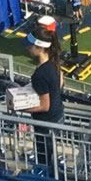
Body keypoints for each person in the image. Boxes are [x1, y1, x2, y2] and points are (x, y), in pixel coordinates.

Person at [23, 26, 65, 171]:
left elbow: (44, 106)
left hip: (46, 122)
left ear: (40, 47)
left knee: (45, 158)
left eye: (30, 44)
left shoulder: (40, 74)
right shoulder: (54, 62)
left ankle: (47, 177)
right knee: (50, 152)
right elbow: (59, 84)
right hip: (58, 115)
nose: (27, 47)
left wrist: (18, 107)